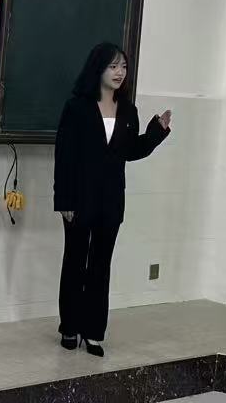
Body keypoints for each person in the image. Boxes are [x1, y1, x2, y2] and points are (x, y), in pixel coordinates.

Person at [52, 42, 172, 356]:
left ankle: (93, 332)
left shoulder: (128, 110)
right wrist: (64, 200)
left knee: (100, 266)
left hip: (111, 201)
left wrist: (156, 133)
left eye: (124, 67)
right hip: (78, 199)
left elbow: (130, 151)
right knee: (75, 262)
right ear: (98, 69)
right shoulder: (77, 107)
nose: (120, 72)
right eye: (113, 66)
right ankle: (69, 327)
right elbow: (64, 156)